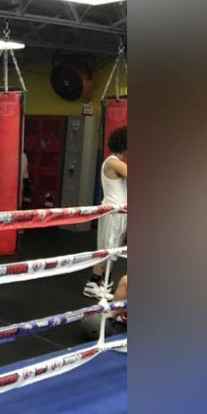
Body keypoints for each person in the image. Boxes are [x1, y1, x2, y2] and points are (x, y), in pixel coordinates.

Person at [83, 125, 127, 300]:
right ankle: (93, 284)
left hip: (120, 213)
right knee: (107, 248)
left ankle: (102, 283)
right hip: (112, 213)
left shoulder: (117, 162)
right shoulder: (112, 162)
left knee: (112, 249)